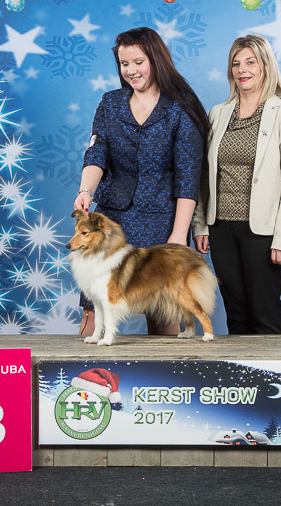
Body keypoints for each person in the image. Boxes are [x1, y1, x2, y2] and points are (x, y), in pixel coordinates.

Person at [73, 27, 210, 336]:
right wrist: (85, 190)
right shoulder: (110, 103)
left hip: (161, 223)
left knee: (163, 312)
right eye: (124, 64)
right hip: (111, 224)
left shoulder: (181, 107)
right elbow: (97, 152)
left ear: (156, 60)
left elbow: (188, 177)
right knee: (94, 309)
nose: (131, 71)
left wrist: (178, 235)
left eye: (138, 62)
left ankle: (166, 369)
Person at [193, 35, 281, 335]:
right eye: (236, 63)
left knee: (264, 316)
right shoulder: (218, 113)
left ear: (265, 66)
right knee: (236, 317)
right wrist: (200, 225)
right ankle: (242, 368)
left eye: (250, 62)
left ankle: (272, 368)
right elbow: (204, 174)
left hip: (263, 233)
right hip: (221, 230)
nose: (242, 70)